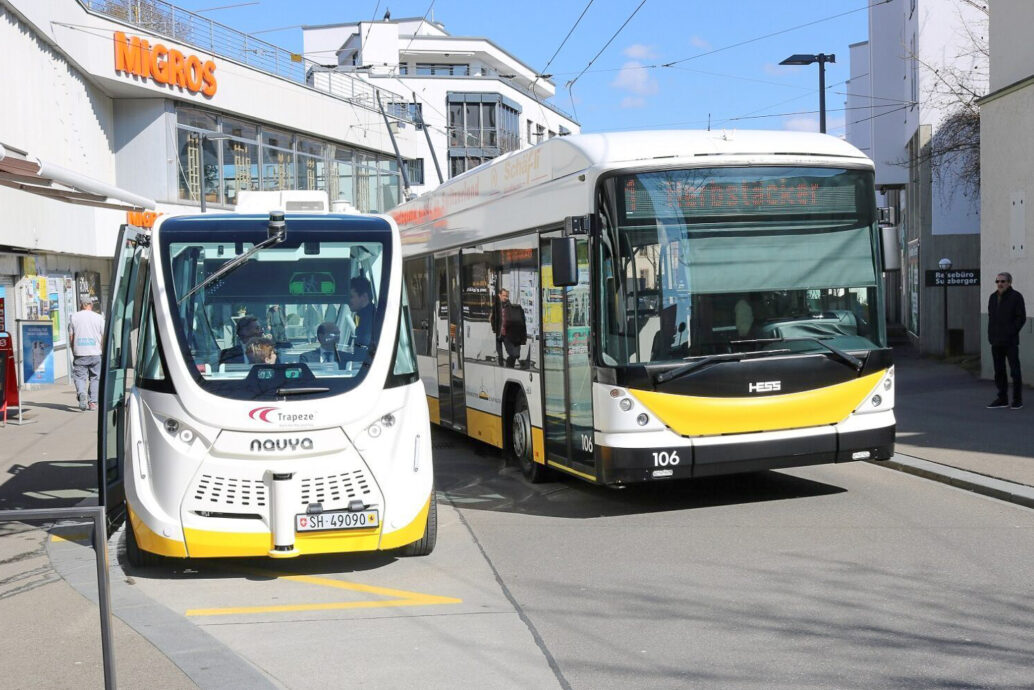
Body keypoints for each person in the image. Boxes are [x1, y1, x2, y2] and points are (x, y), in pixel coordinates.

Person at [987, 272, 1026, 409]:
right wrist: (991, 336)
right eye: (997, 281)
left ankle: (1017, 400)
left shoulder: (1016, 297)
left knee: (1014, 371)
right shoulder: (992, 298)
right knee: (999, 371)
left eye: (1003, 281)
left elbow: (1021, 318)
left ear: (1009, 283)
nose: (1000, 284)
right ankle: (1002, 398)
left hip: (1010, 341)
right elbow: (991, 318)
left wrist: (1010, 332)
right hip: (996, 341)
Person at [68, 297, 105, 411]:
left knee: (79, 377)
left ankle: (82, 393)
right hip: (95, 353)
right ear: (91, 305)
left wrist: (73, 349)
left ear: (81, 305)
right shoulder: (99, 318)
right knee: (95, 378)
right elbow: (103, 336)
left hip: (80, 353)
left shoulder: (74, 317)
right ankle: (93, 403)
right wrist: (101, 350)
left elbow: (71, 336)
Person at [490, 288, 527, 368]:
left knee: (514, 354)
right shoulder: (496, 306)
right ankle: (504, 367)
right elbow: (493, 318)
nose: (505, 297)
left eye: (507, 296)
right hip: (500, 334)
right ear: (499, 295)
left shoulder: (510, 306)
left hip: (508, 334)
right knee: (500, 354)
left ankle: (509, 366)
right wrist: (494, 328)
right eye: (504, 296)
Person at [349, 276, 375, 348]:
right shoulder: (360, 315)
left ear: (364, 297)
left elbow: (363, 349)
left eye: (351, 297)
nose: (348, 301)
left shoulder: (370, 317)